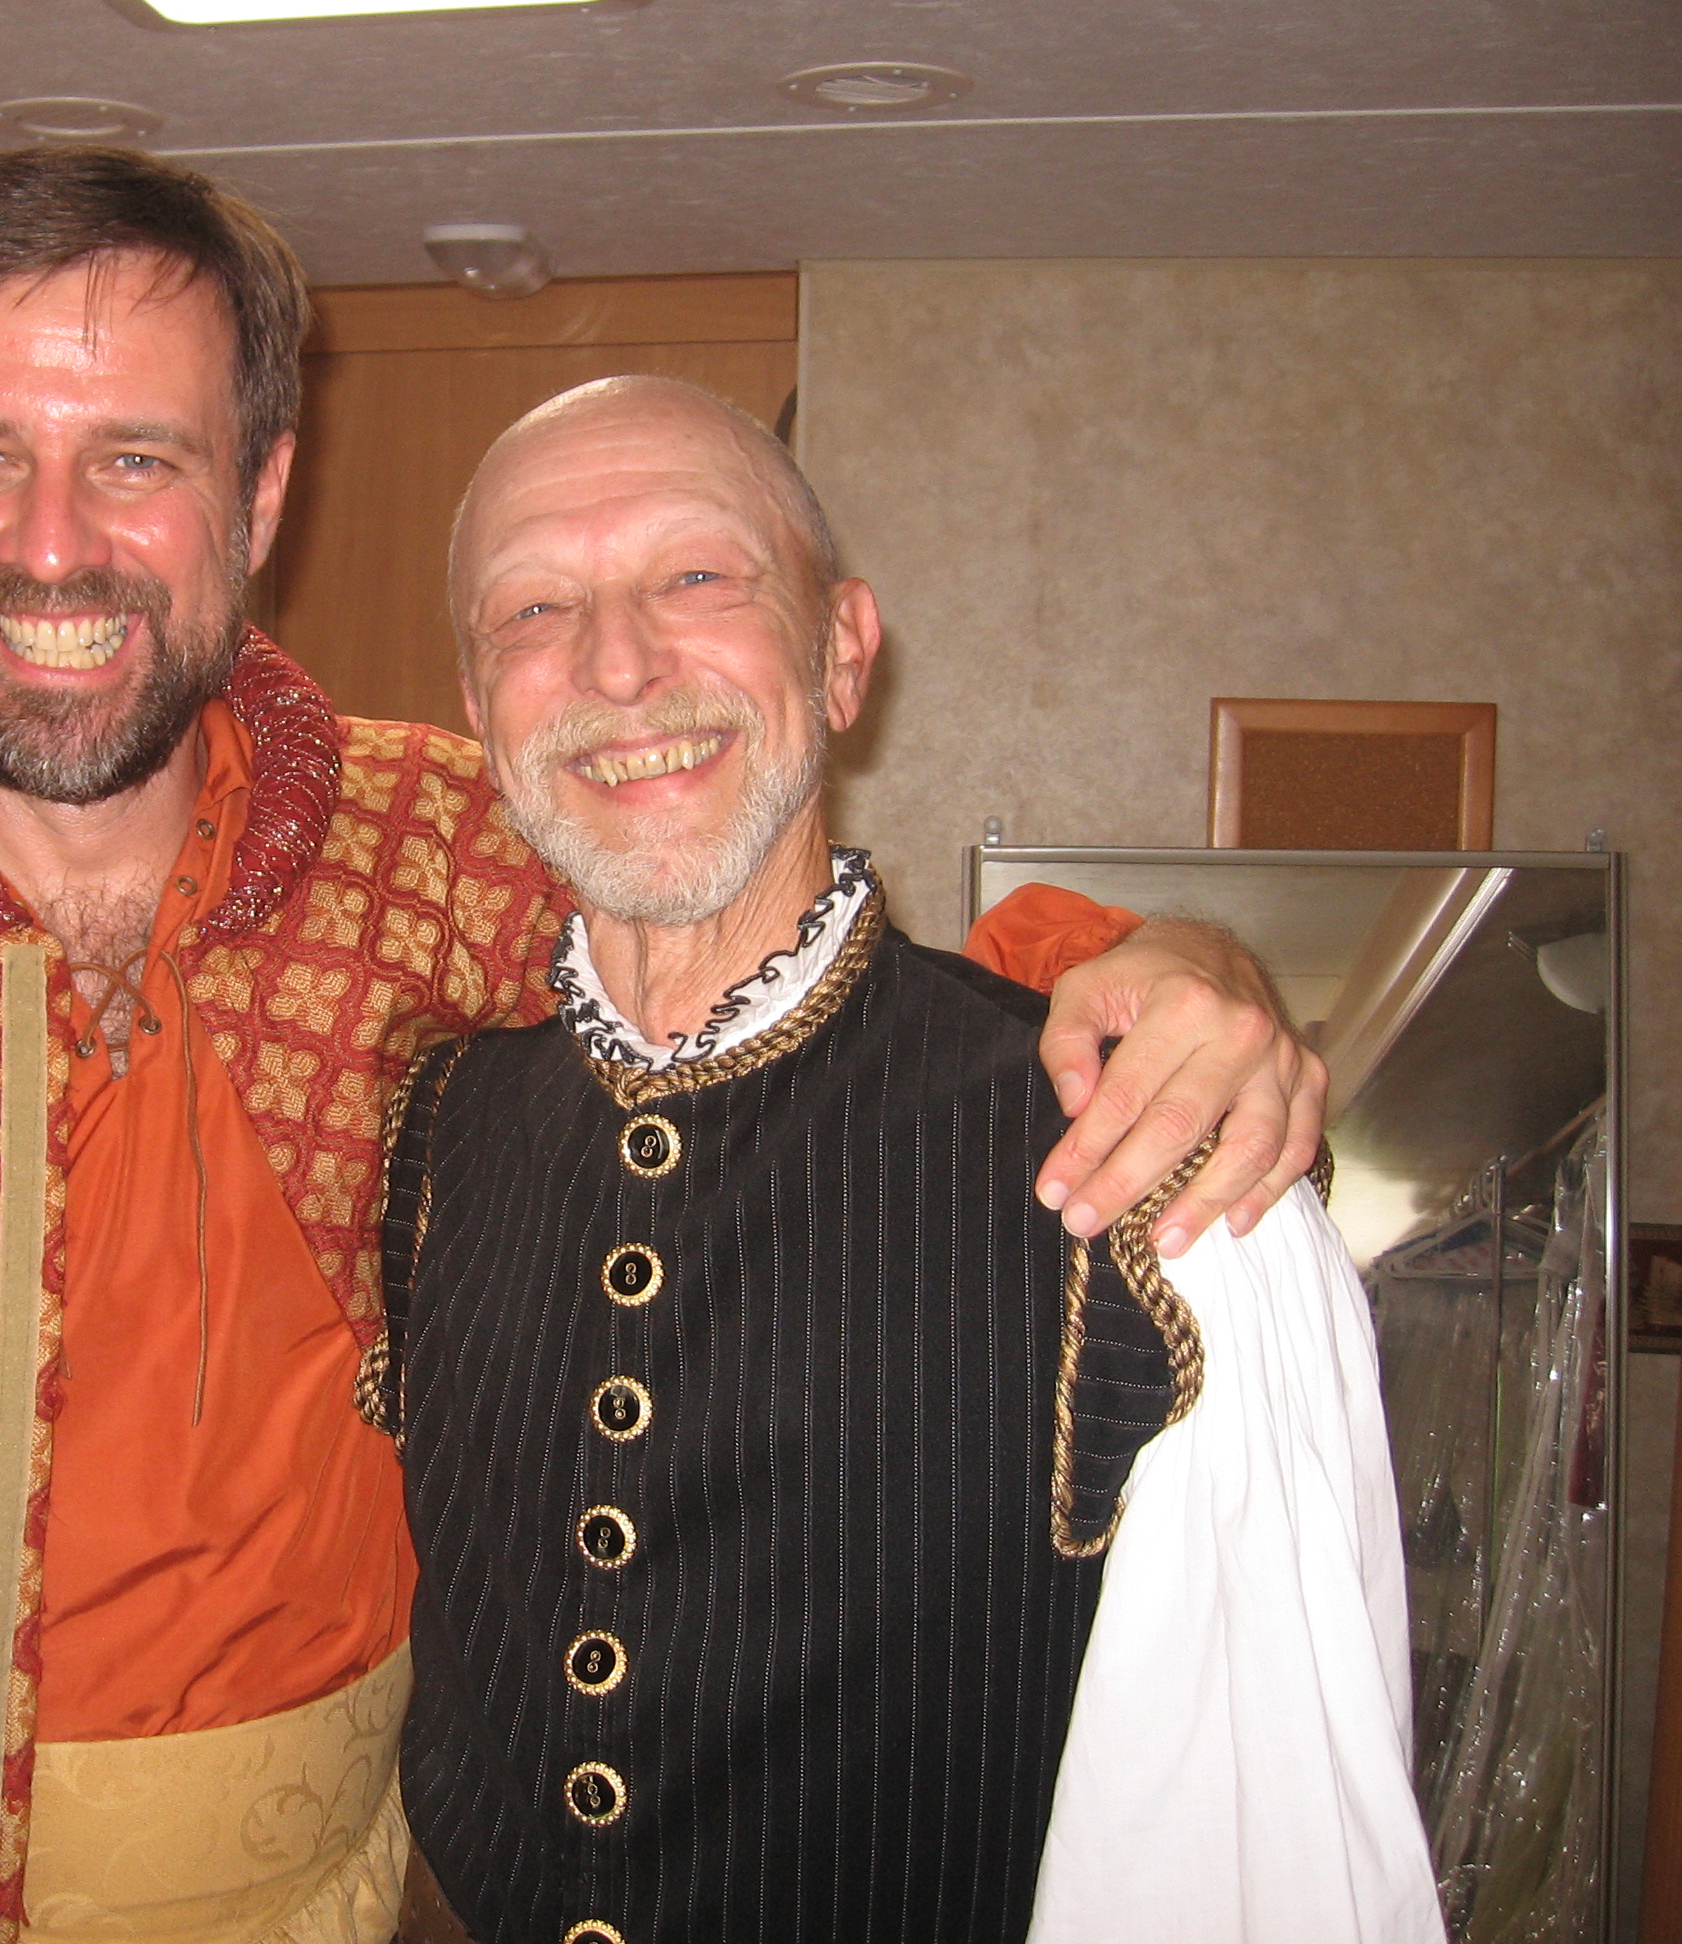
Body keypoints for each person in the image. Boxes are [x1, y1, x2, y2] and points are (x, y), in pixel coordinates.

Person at [0, 149, 1322, 1944]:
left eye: (138, 459)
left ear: (261, 495)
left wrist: (1148, 965)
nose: (54, 547)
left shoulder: (451, 852)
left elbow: (779, 976)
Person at [381, 374, 1439, 1944]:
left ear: (840, 653)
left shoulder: (1149, 1163)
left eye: (697, 577)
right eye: (536, 608)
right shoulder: (431, 1126)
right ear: (481, 709)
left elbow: (1253, 1865)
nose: (617, 662)